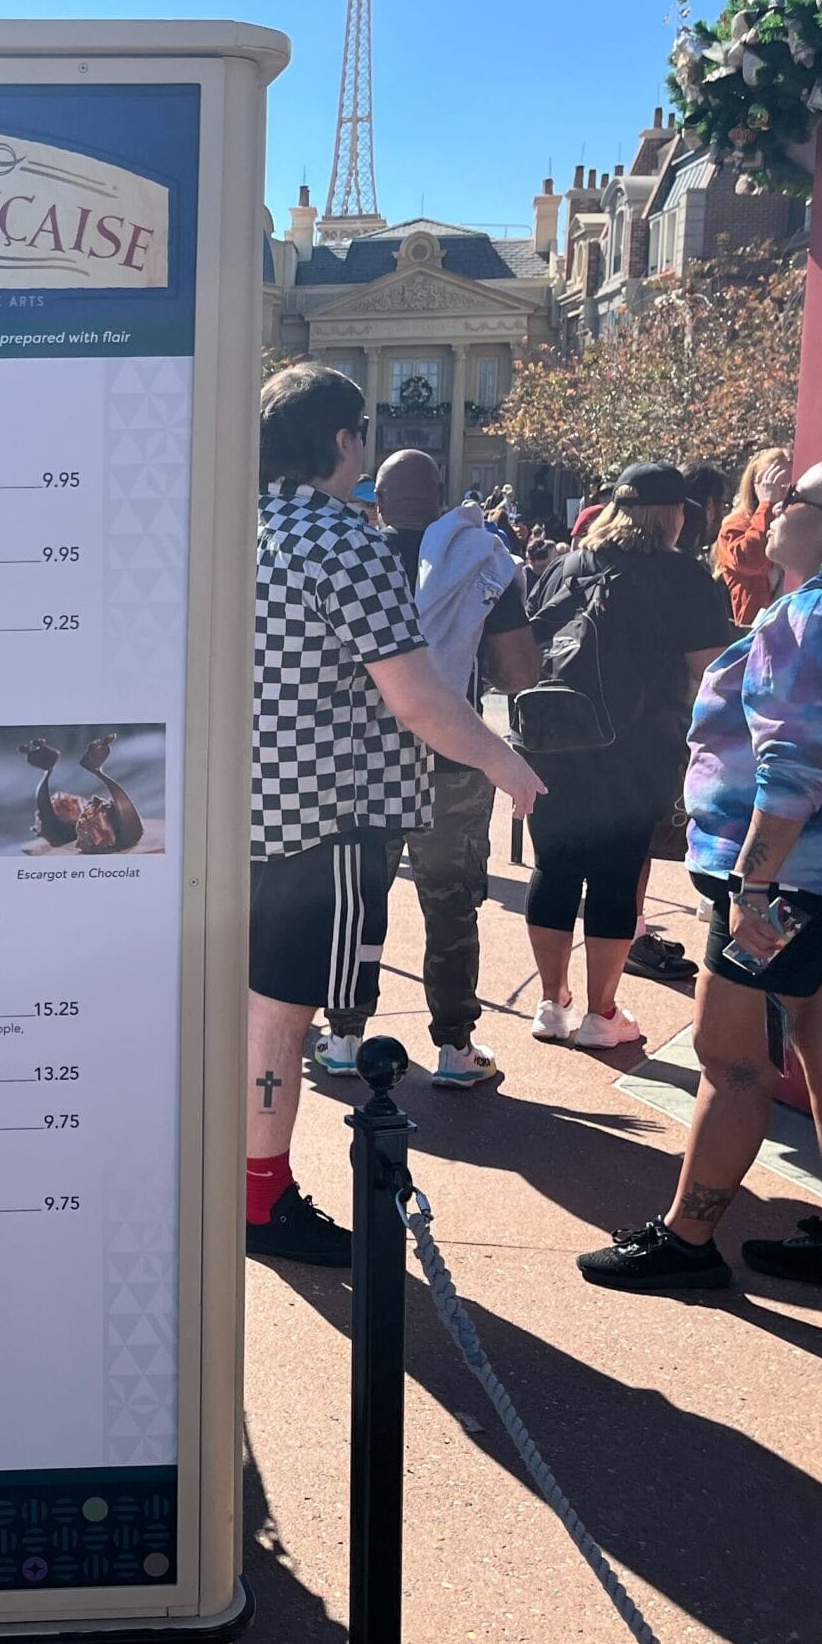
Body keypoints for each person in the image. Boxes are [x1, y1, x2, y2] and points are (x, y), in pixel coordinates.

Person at [579, 423, 822, 1298]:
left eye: (795, 501)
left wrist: (752, 886)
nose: (773, 510)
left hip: (792, 884)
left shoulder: (816, 614)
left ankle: (688, 1238)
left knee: (731, 1060)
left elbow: (794, 768)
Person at [247, 366, 544, 1265]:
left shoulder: (242, 529)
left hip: (246, 805)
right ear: (345, 441)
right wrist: (503, 761)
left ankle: (249, 1186)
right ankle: (263, 1199)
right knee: (281, 1017)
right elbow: (414, 696)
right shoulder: (348, 541)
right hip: (329, 811)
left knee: (255, 1011)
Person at [314, 450, 539, 1090]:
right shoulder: (476, 563)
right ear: (440, 500)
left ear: (377, 502)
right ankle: (455, 1047)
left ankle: (345, 1034)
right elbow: (521, 674)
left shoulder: (353, 558)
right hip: (453, 759)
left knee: (357, 902)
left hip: (361, 762)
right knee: (451, 902)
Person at [521, 464, 733, 1050]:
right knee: (616, 874)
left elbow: (528, 648)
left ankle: (550, 1001)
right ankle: (601, 1013)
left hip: (554, 739)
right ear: (676, 515)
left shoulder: (566, 566)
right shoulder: (683, 576)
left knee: (554, 867)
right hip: (637, 747)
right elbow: (715, 673)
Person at [713, 446, 794, 625]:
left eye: (787, 486)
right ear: (755, 486)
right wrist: (767, 505)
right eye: (772, 485)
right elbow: (752, 560)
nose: (781, 493)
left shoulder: (797, 520)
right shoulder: (734, 525)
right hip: (754, 630)